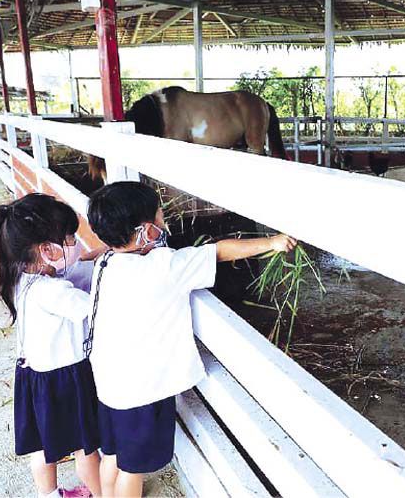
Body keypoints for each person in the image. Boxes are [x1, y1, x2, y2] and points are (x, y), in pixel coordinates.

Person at [86, 181, 296, 497]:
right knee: (133, 469)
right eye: (160, 216)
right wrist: (273, 241)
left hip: (108, 383)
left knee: (113, 455)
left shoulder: (106, 262)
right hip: (140, 393)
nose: (165, 220)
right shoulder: (164, 266)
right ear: (145, 232)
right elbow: (220, 251)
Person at [0, 194, 103, 498]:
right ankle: (105, 493)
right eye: (70, 238)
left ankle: (50, 495)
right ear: (46, 250)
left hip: (34, 378)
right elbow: (95, 307)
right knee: (86, 447)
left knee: (42, 447)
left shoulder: (21, 278)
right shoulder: (52, 292)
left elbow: (72, 270)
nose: (76, 243)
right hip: (66, 378)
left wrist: (98, 254)